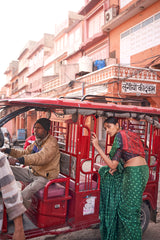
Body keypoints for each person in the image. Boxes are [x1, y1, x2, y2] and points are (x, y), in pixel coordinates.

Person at [91, 117, 149, 240]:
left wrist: (97, 146)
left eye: (109, 127)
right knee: (129, 210)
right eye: (105, 128)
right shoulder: (127, 134)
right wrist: (116, 167)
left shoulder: (119, 136)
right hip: (140, 171)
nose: (107, 130)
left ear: (117, 125)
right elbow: (128, 154)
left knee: (128, 212)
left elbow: (113, 164)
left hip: (134, 173)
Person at [1, 118, 60, 209]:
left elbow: (40, 157)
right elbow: (24, 153)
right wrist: (7, 150)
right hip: (33, 172)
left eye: (39, 128)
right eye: (35, 127)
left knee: (23, 195)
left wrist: (18, 160)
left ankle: (19, 216)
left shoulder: (51, 143)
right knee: (6, 170)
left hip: (45, 177)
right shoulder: (38, 142)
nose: (35, 130)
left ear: (46, 129)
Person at [0, 151, 26, 239]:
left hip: (43, 175)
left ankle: (21, 217)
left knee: (25, 193)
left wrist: (21, 159)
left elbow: (38, 158)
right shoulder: (35, 143)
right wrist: (9, 150)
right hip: (33, 169)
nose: (35, 136)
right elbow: (25, 151)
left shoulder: (49, 145)